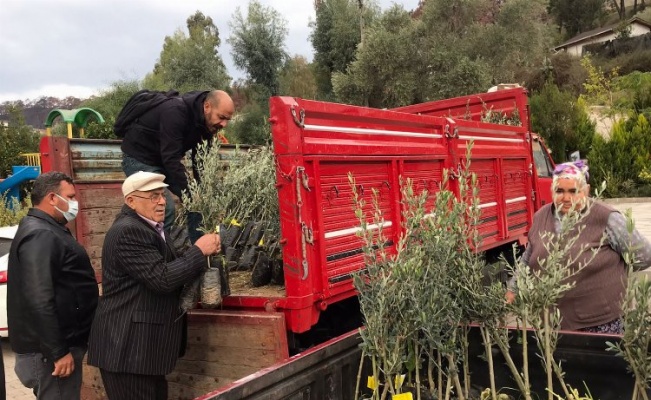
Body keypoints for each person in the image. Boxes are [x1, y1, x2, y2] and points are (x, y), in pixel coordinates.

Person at [87, 171, 221, 399]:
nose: (161, 202)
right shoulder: (129, 231)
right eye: (152, 196)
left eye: (162, 195)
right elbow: (162, 278)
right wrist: (199, 251)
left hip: (142, 352)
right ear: (130, 200)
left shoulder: (151, 228)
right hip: (127, 351)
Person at [506, 161, 651, 333]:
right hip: (553, 323)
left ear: (586, 191)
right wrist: (513, 290)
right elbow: (527, 259)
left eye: (573, 191)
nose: (566, 198)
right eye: (560, 191)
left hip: (602, 322)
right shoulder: (541, 217)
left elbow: (644, 255)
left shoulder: (606, 217)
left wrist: (612, 275)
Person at [7, 171, 99, 399]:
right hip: (49, 356)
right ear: (51, 198)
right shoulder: (41, 234)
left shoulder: (46, 229)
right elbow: (39, 298)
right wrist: (58, 351)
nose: (75, 203)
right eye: (70, 196)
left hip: (52, 350)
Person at [120, 89, 235, 240]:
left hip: (162, 160)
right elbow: (171, 158)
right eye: (221, 117)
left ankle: (199, 251)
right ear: (207, 106)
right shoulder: (175, 112)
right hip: (138, 158)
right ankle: (156, 254)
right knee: (163, 208)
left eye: (227, 119)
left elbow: (201, 162)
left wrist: (201, 193)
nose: (224, 124)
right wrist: (189, 190)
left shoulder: (207, 125)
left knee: (197, 202)